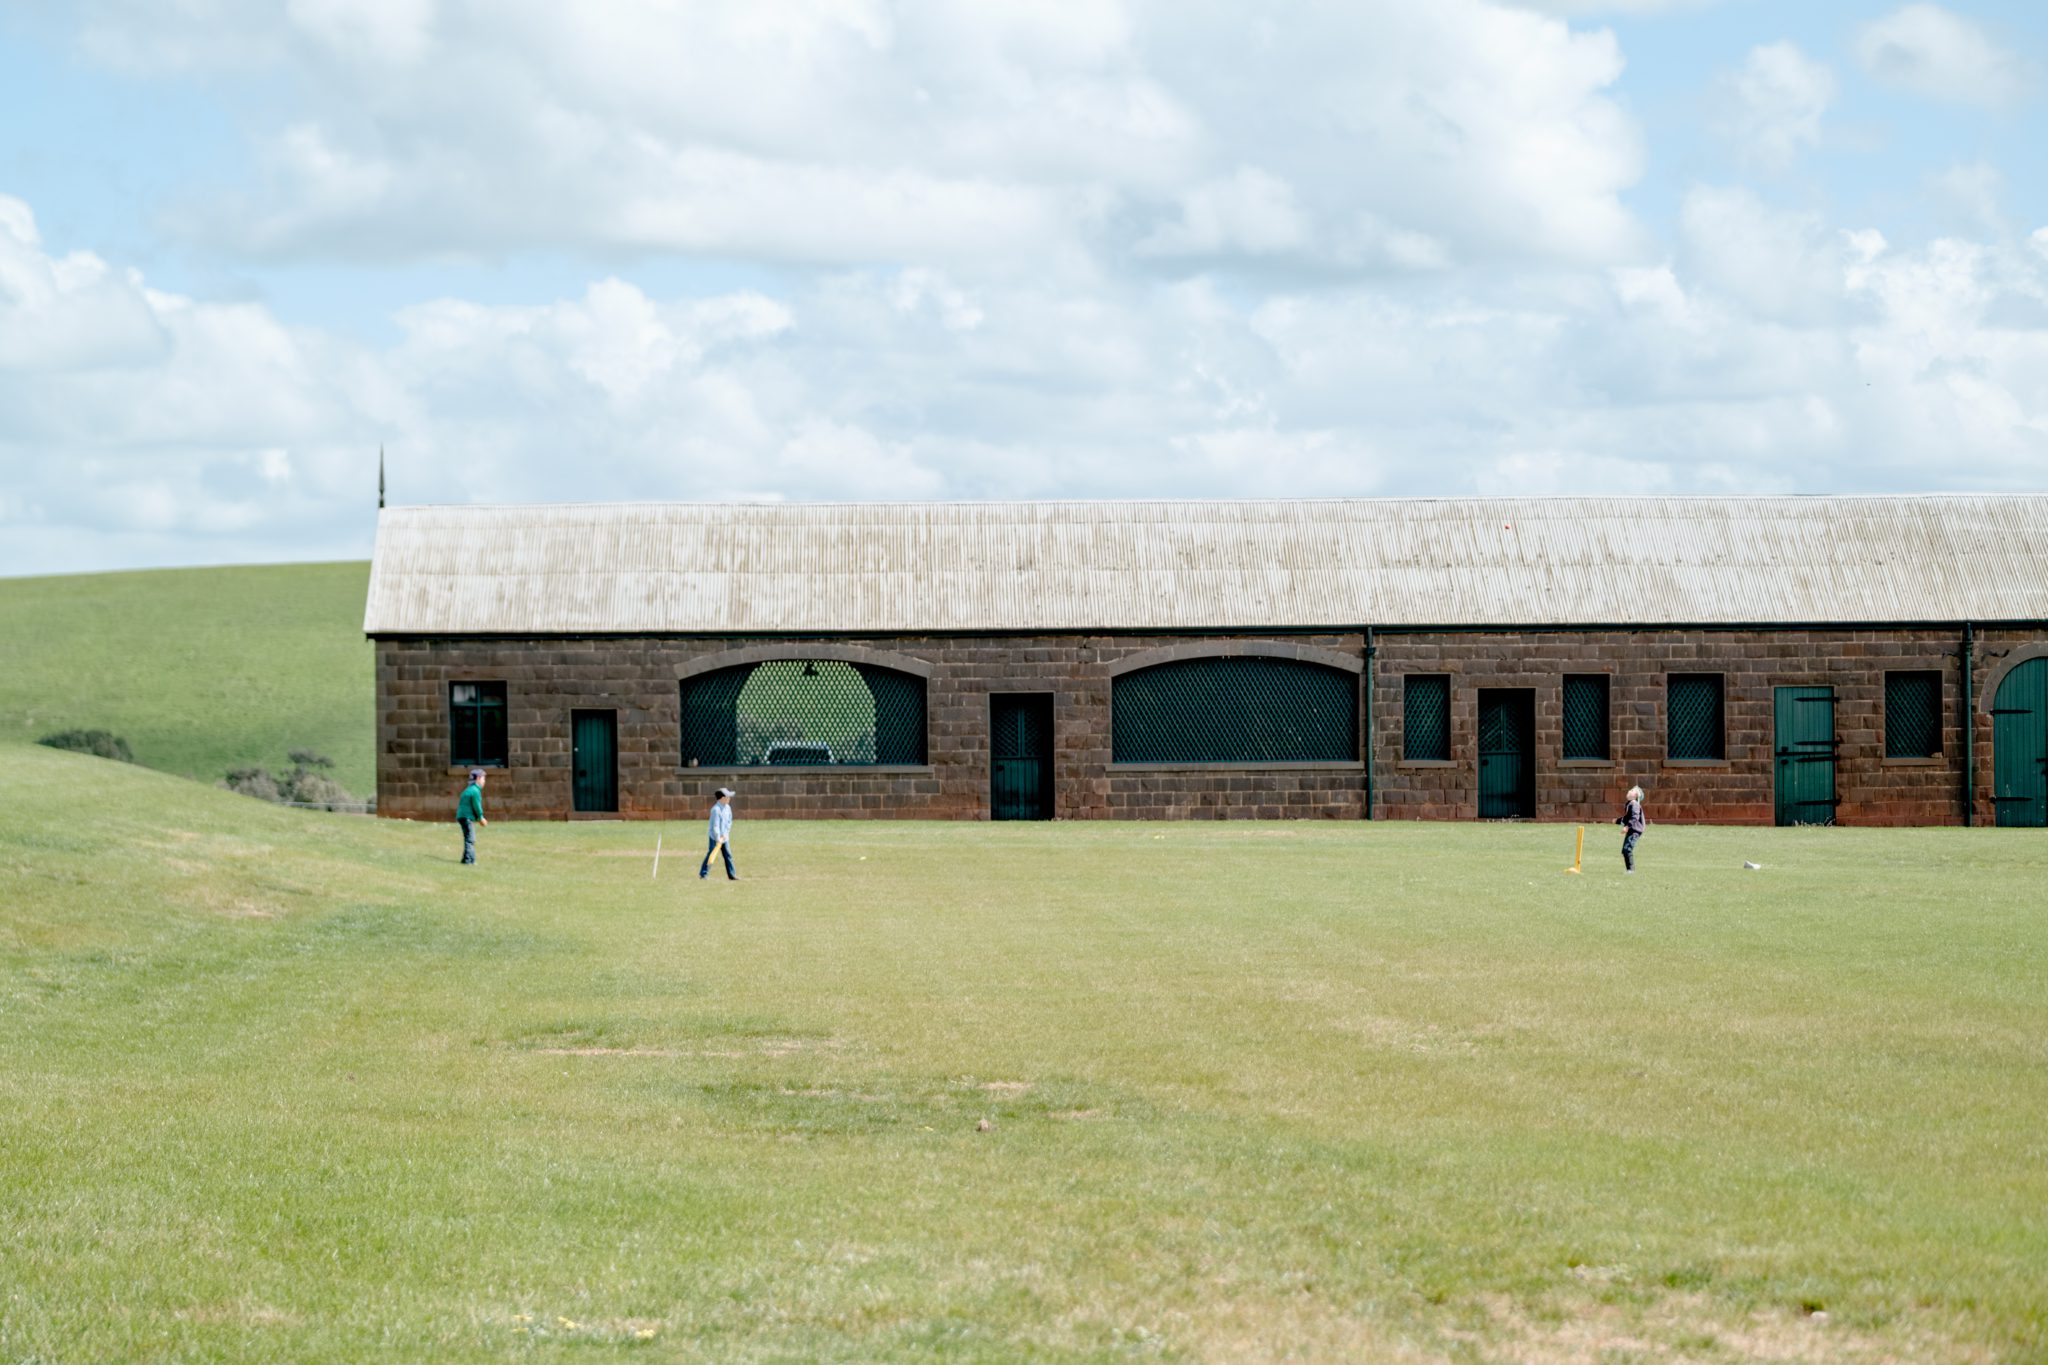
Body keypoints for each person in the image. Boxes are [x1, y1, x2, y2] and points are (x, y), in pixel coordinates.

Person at [700, 787, 738, 880]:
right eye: (728, 797)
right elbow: (715, 826)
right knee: (711, 854)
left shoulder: (728, 808)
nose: (729, 798)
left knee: (728, 855)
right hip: (715, 838)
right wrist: (718, 838)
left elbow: (729, 822)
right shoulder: (715, 810)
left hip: (725, 837)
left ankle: (732, 874)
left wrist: (725, 834)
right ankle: (704, 874)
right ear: (722, 798)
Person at [457, 768, 487, 864]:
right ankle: (469, 860)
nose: (484, 781)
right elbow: (476, 806)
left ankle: (466, 859)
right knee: (470, 839)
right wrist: (480, 817)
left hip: (461, 816)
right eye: (483, 778)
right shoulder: (475, 791)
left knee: (468, 838)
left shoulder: (468, 790)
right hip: (467, 817)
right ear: (478, 778)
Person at [1615, 784, 1646, 873]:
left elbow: (1634, 817)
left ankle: (1631, 871)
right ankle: (1629, 870)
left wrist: (1627, 827)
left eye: (1631, 790)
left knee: (1627, 849)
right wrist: (1616, 821)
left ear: (1636, 795)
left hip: (1635, 830)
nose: (1629, 791)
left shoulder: (1635, 804)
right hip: (1632, 829)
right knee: (1625, 850)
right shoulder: (1629, 804)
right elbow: (1626, 818)